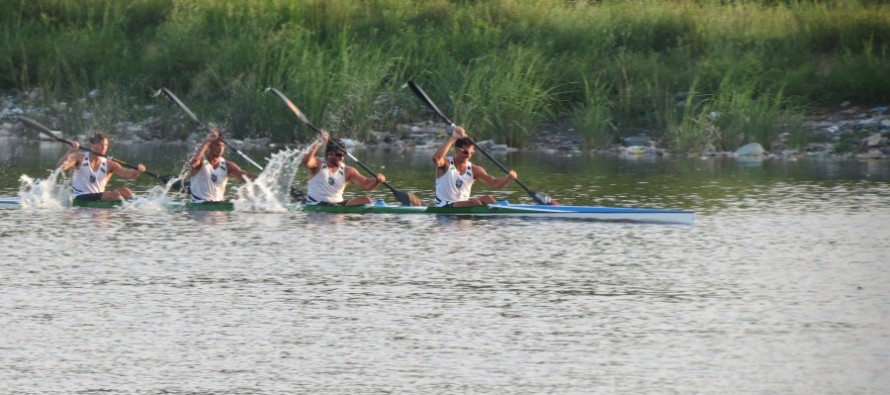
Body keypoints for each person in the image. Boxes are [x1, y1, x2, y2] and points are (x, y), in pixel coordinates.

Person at [432, 125, 517, 207]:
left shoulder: (474, 170)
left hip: (462, 206)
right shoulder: (446, 163)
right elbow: (436, 158)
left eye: (471, 153)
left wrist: (507, 178)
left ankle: (501, 213)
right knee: (476, 203)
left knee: (488, 198)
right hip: (444, 205)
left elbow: (495, 183)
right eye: (465, 152)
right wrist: (453, 137)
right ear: (457, 150)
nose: (468, 155)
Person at [302, 131, 385, 206]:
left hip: (337, 205)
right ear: (330, 153)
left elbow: (367, 184)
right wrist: (319, 142)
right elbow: (306, 161)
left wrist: (377, 181)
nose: (342, 158)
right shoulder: (318, 163)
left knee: (366, 200)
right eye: (339, 155)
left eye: (343, 155)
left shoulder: (348, 171)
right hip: (315, 204)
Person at [56, 131, 146, 201]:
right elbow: (60, 167)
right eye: (100, 144)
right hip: (80, 196)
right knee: (115, 195)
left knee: (125, 191)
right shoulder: (79, 157)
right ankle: (120, 205)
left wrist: (138, 171)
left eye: (106, 145)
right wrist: (70, 152)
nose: (103, 147)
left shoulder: (110, 164)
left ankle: (137, 205)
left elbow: (127, 174)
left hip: (99, 197)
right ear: (92, 144)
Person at [188, 129, 257, 203]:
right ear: (209, 146)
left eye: (222, 146)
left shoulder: (228, 165)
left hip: (218, 205)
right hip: (198, 203)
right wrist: (207, 141)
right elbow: (194, 162)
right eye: (217, 145)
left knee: (238, 198)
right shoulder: (200, 161)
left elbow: (245, 176)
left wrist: (261, 177)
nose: (220, 148)